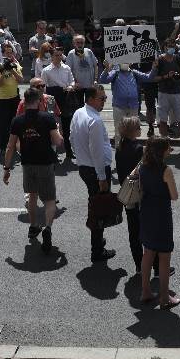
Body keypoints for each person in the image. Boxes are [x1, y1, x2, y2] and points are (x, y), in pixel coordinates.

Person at [4, 88, 64, 254]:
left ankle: (33, 226)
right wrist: (57, 129)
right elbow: (58, 142)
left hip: (27, 163)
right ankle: (48, 228)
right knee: (50, 199)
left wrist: (6, 168)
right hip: (45, 163)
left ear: (24, 102)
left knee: (32, 195)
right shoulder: (48, 118)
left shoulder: (17, 121)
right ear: (39, 101)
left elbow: (10, 147)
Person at [70, 85, 116, 262]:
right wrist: (102, 177)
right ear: (90, 99)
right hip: (96, 170)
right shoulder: (95, 121)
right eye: (102, 98)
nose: (105, 101)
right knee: (100, 210)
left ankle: (98, 240)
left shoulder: (78, 113)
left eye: (105, 98)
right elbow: (96, 151)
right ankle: (97, 250)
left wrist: (79, 156)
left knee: (95, 205)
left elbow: (71, 138)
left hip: (84, 166)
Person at [115, 118, 163, 276]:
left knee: (134, 233)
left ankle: (139, 266)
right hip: (142, 196)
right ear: (133, 130)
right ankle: (156, 267)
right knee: (150, 232)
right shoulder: (138, 149)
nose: (140, 128)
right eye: (138, 126)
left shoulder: (120, 147)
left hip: (127, 194)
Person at [136, 137, 180, 308]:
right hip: (161, 214)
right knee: (164, 256)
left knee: (148, 253)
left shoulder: (142, 167)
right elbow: (174, 196)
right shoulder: (166, 170)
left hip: (146, 211)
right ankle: (164, 298)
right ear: (162, 151)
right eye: (168, 148)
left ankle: (145, 291)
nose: (170, 150)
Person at [99, 60, 150, 149]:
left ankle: (132, 150)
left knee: (133, 129)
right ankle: (119, 150)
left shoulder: (134, 73)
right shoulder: (115, 73)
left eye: (127, 60)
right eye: (123, 60)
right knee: (119, 130)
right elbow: (103, 80)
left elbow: (148, 77)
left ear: (130, 62)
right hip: (119, 106)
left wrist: (154, 68)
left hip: (133, 106)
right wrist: (107, 69)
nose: (125, 62)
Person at [152, 40, 180, 142]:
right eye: (169, 46)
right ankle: (164, 143)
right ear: (164, 47)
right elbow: (154, 78)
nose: (171, 48)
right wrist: (166, 76)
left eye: (173, 46)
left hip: (177, 93)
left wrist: (178, 77)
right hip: (163, 93)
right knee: (163, 120)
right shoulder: (159, 60)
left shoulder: (179, 58)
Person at [0, 43, 23, 152]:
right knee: (3, 125)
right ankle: (2, 146)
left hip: (14, 98)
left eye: (11, 53)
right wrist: (4, 70)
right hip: (2, 100)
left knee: (14, 123)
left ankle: (14, 146)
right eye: (7, 53)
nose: (9, 55)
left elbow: (20, 80)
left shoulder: (16, 66)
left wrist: (12, 70)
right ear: (3, 54)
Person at [66, 34, 99, 112]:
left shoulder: (89, 51)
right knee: (79, 107)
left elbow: (95, 65)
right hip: (78, 86)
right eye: (77, 43)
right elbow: (68, 70)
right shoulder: (71, 53)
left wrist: (95, 79)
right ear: (74, 43)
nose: (80, 44)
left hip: (90, 85)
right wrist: (74, 82)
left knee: (91, 106)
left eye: (81, 42)